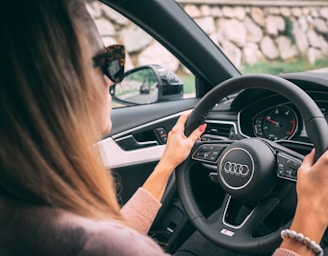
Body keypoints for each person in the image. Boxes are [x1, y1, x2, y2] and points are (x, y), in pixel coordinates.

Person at [0, 1, 327, 256]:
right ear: (60, 81)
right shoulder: (96, 244)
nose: (115, 77)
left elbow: (116, 232)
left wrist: (167, 164)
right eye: (111, 61)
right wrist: (305, 227)